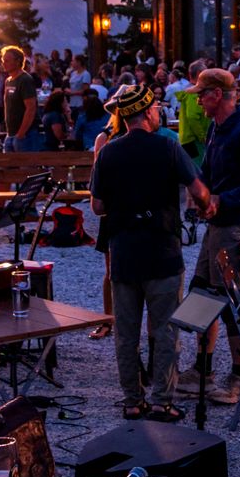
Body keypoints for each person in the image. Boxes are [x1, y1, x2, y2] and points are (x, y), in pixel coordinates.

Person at [90, 81, 214, 422]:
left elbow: (97, 206)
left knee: (126, 332)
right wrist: (206, 207)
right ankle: (162, 401)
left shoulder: (109, 151)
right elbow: (199, 191)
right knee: (165, 331)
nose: (159, 112)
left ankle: (132, 401)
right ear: (146, 112)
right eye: (157, 108)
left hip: (124, 253)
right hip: (162, 251)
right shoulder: (168, 148)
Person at [182, 68, 240, 404]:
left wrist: (221, 199)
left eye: (202, 94)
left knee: (229, 300)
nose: (198, 101)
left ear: (217, 94)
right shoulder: (218, 128)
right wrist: (200, 189)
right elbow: (209, 169)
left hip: (238, 225)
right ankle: (203, 368)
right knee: (202, 291)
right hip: (219, 224)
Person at [1, 45, 40, 152]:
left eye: (7, 60)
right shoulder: (8, 81)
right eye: (3, 60)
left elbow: (31, 108)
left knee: (26, 167)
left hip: (25, 135)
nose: (4, 63)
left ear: (18, 61)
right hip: (11, 134)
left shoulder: (25, 80)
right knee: (9, 167)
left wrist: (21, 134)